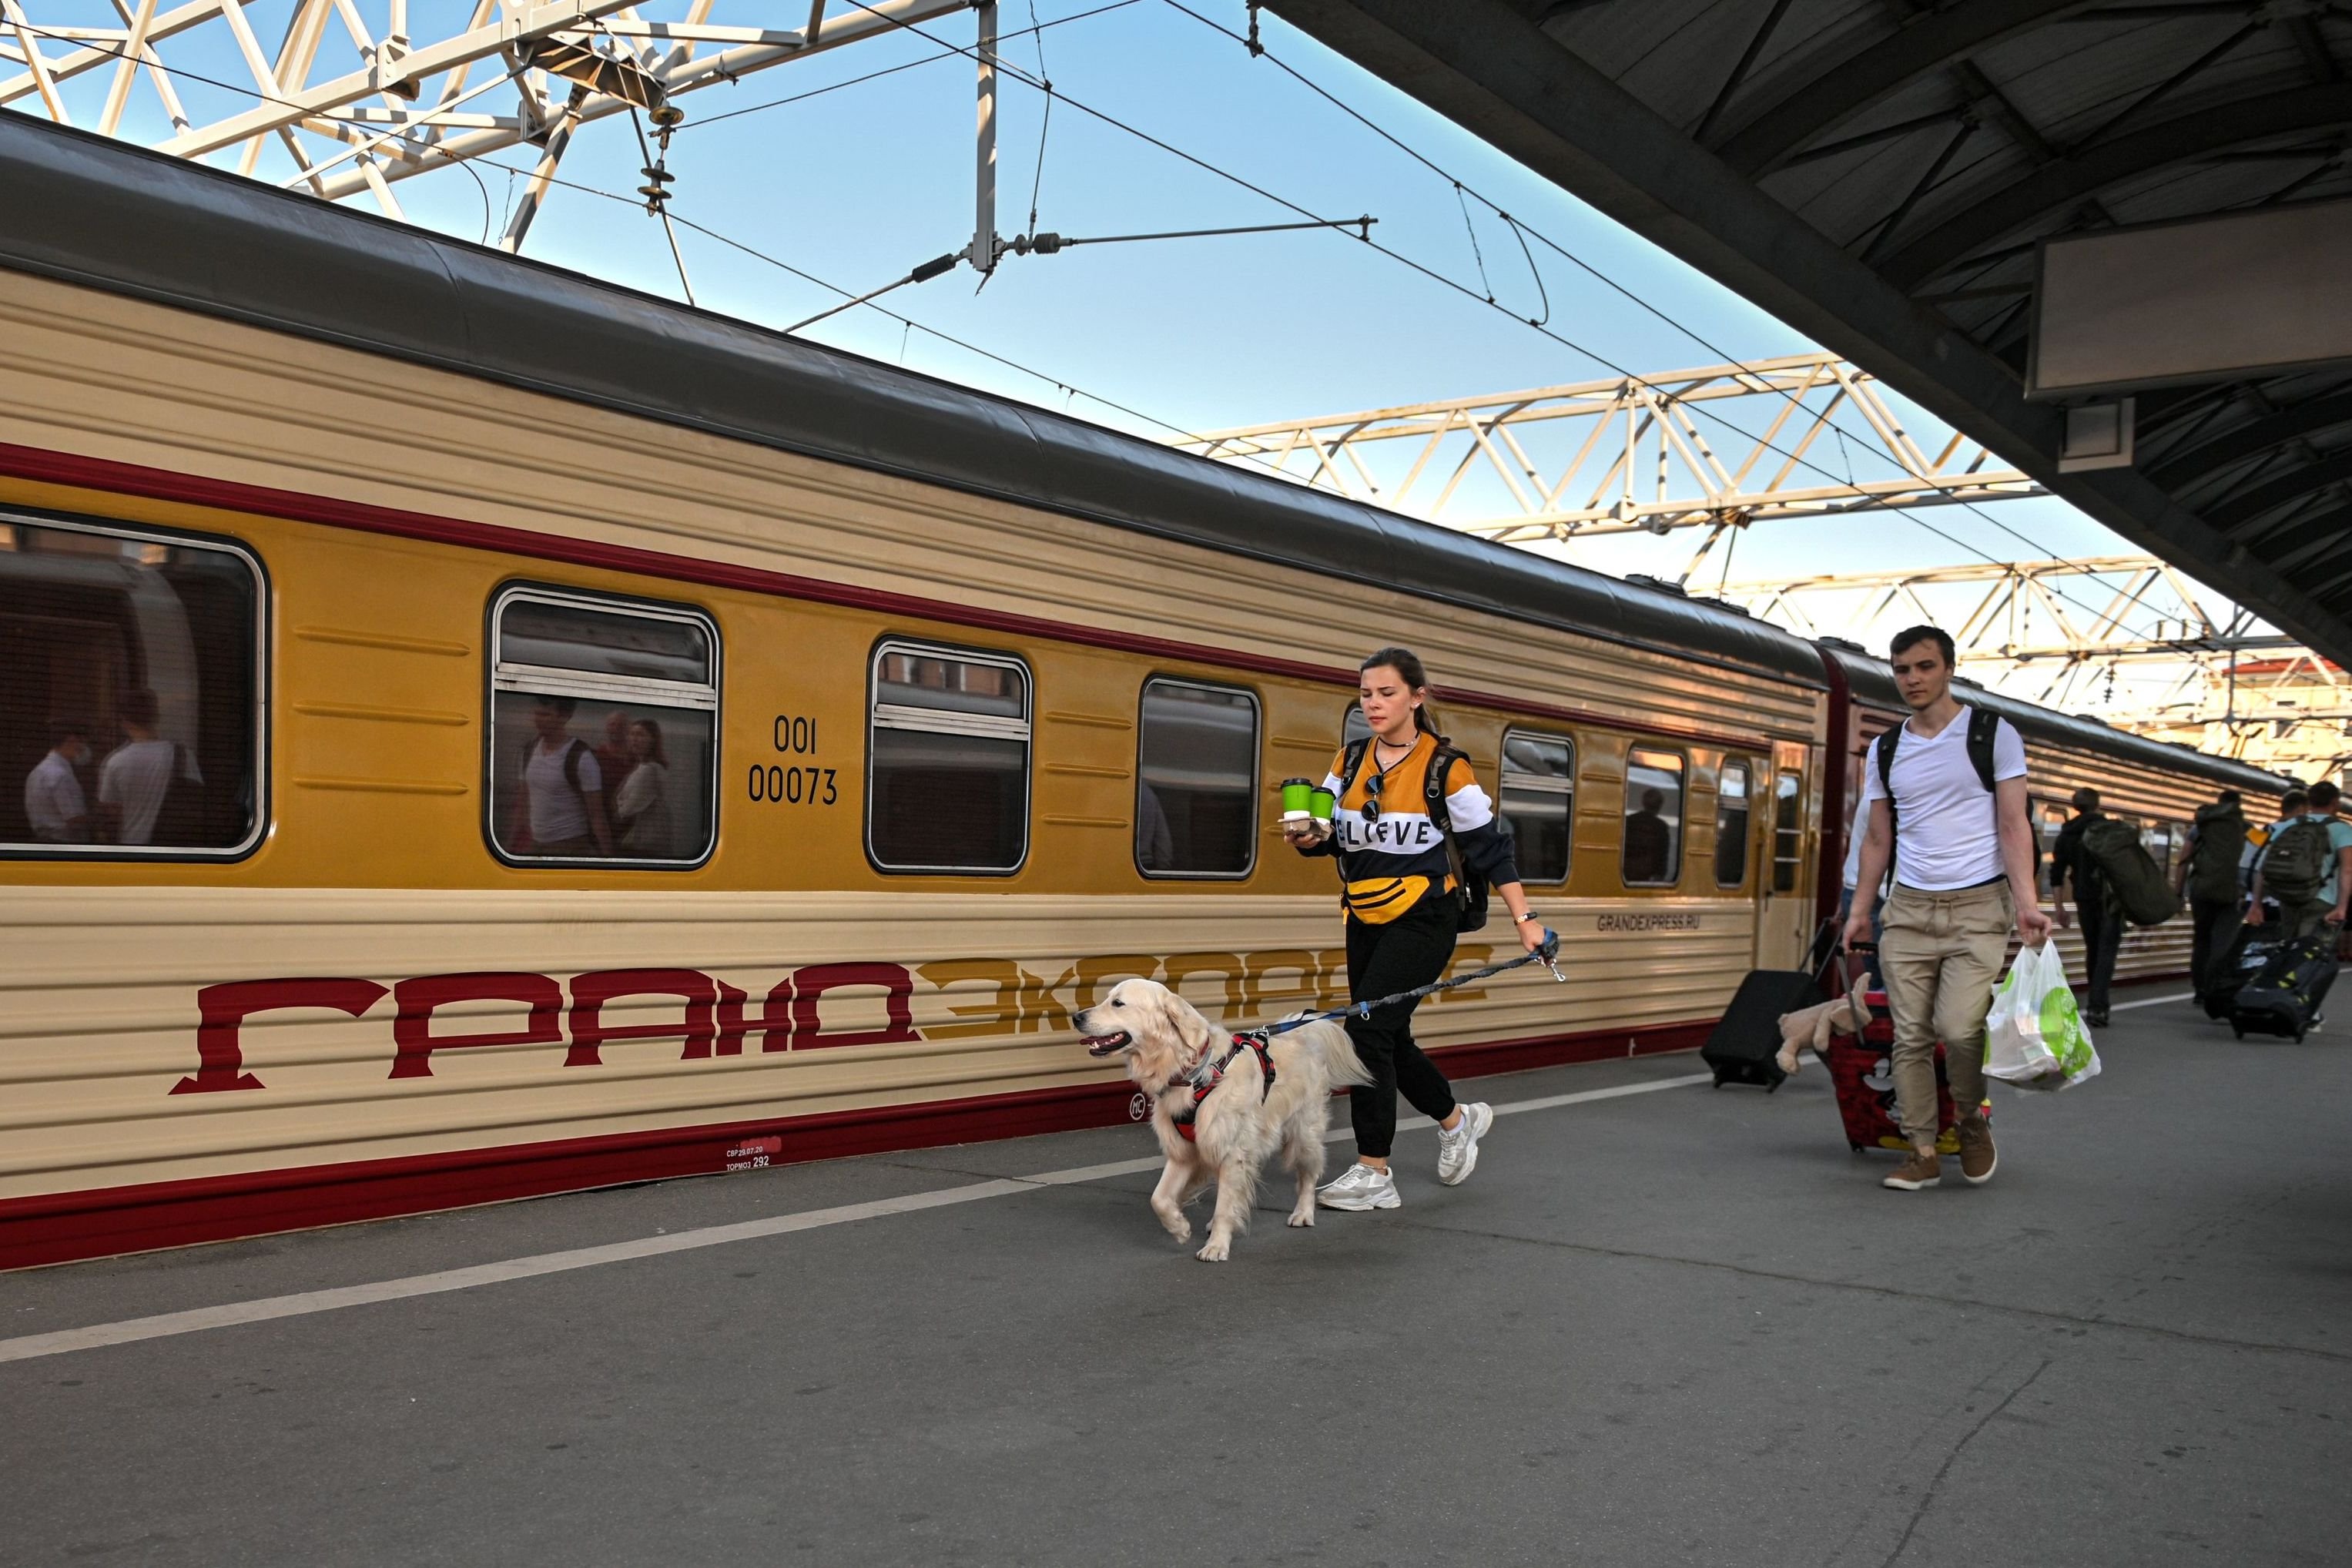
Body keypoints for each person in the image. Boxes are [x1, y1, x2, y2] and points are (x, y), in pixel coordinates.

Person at [1285, 647, 1544, 1212]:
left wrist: (1526, 921)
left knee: (1366, 1033)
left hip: (1426, 916)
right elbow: (1332, 833)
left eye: (1387, 693)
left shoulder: (1445, 768)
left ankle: (1373, 1170)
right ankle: (1457, 1121)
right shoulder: (1349, 761)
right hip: (1364, 913)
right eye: (1366, 694)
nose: (1373, 704)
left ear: (1417, 697)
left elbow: (1491, 850)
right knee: (1389, 1034)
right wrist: (1311, 838)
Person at [1844, 626, 2049, 1192]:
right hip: (1907, 908)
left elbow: (2014, 825)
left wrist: (2027, 904)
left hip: (1979, 906)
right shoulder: (1886, 749)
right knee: (1908, 1035)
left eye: (1924, 667)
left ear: (1949, 669)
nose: (1911, 678)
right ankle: (1922, 1149)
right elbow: (1877, 838)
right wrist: (1862, 909)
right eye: (1902, 668)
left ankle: (1971, 1120)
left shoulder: (1992, 734)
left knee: (1958, 1029)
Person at [2051, 787, 2124, 1028]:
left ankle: (2096, 1001)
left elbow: (2057, 872)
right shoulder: (2110, 829)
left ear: (2075, 807)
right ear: (2097, 805)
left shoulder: (2067, 834)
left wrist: (2060, 908)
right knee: (2106, 951)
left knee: (2094, 949)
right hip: (2110, 900)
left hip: (2083, 899)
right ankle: (2098, 1006)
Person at [2246, 780, 2352, 940]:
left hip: (2288, 897)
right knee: (2309, 954)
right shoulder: (2343, 830)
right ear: (2336, 803)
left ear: (2309, 801)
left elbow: (2265, 866)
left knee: (2289, 949)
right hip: (2322, 900)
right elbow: (2347, 869)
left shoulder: (2289, 825)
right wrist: (2342, 907)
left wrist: (2256, 904)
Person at [96, 688, 201, 846]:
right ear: (156, 716)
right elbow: (196, 798)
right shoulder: (184, 756)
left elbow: (111, 810)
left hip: (132, 846)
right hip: (175, 848)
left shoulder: (115, 762)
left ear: (124, 722)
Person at [511, 695, 614, 857]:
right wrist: (509, 847)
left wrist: (609, 860)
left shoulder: (581, 758)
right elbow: (523, 803)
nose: (538, 720)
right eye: (537, 714)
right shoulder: (528, 752)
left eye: (545, 715)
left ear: (564, 717)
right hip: (536, 843)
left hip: (570, 844)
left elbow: (596, 814)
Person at [2176, 789, 2247, 1007]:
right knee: (2223, 943)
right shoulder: (2249, 829)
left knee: (2202, 941)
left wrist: (2178, 893)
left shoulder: (2201, 827)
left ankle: (2200, 989)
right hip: (2233, 894)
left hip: (2201, 891)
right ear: (2238, 806)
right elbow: (2259, 856)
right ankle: (2216, 987)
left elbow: (2184, 859)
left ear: (2219, 804)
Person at [611, 717, 675, 858]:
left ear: (652, 740)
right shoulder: (640, 767)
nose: (634, 739)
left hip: (647, 843)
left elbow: (627, 809)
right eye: (632, 734)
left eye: (640, 735)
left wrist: (620, 805)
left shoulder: (649, 771)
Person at [24, 719, 92, 843]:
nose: (84, 750)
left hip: (44, 841)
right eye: (82, 745)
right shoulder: (60, 775)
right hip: (62, 844)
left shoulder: (38, 771)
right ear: (71, 740)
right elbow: (74, 819)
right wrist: (98, 818)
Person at [1623, 787, 1670, 883]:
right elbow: (1662, 857)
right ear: (1660, 806)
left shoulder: (1629, 821)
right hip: (1647, 877)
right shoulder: (1661, 827)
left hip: (1626, 871)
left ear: (1643, 802)